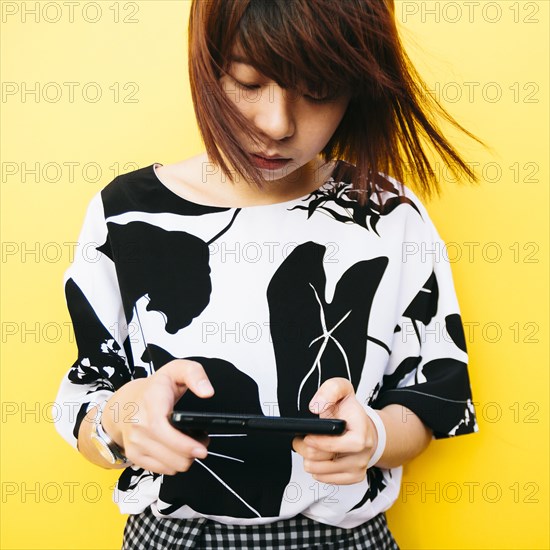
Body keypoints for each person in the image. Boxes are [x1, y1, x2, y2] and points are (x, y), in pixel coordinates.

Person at [54, 1, 480, 548]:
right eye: (247, 82)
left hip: (344, 538)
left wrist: (371, 438)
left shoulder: (390, 213)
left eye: (320, 90)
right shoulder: (127, 213)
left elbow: (432, 401)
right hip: (171, 536)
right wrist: (120, 423)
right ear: (206, 69)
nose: (277, 124)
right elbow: (87, 398)